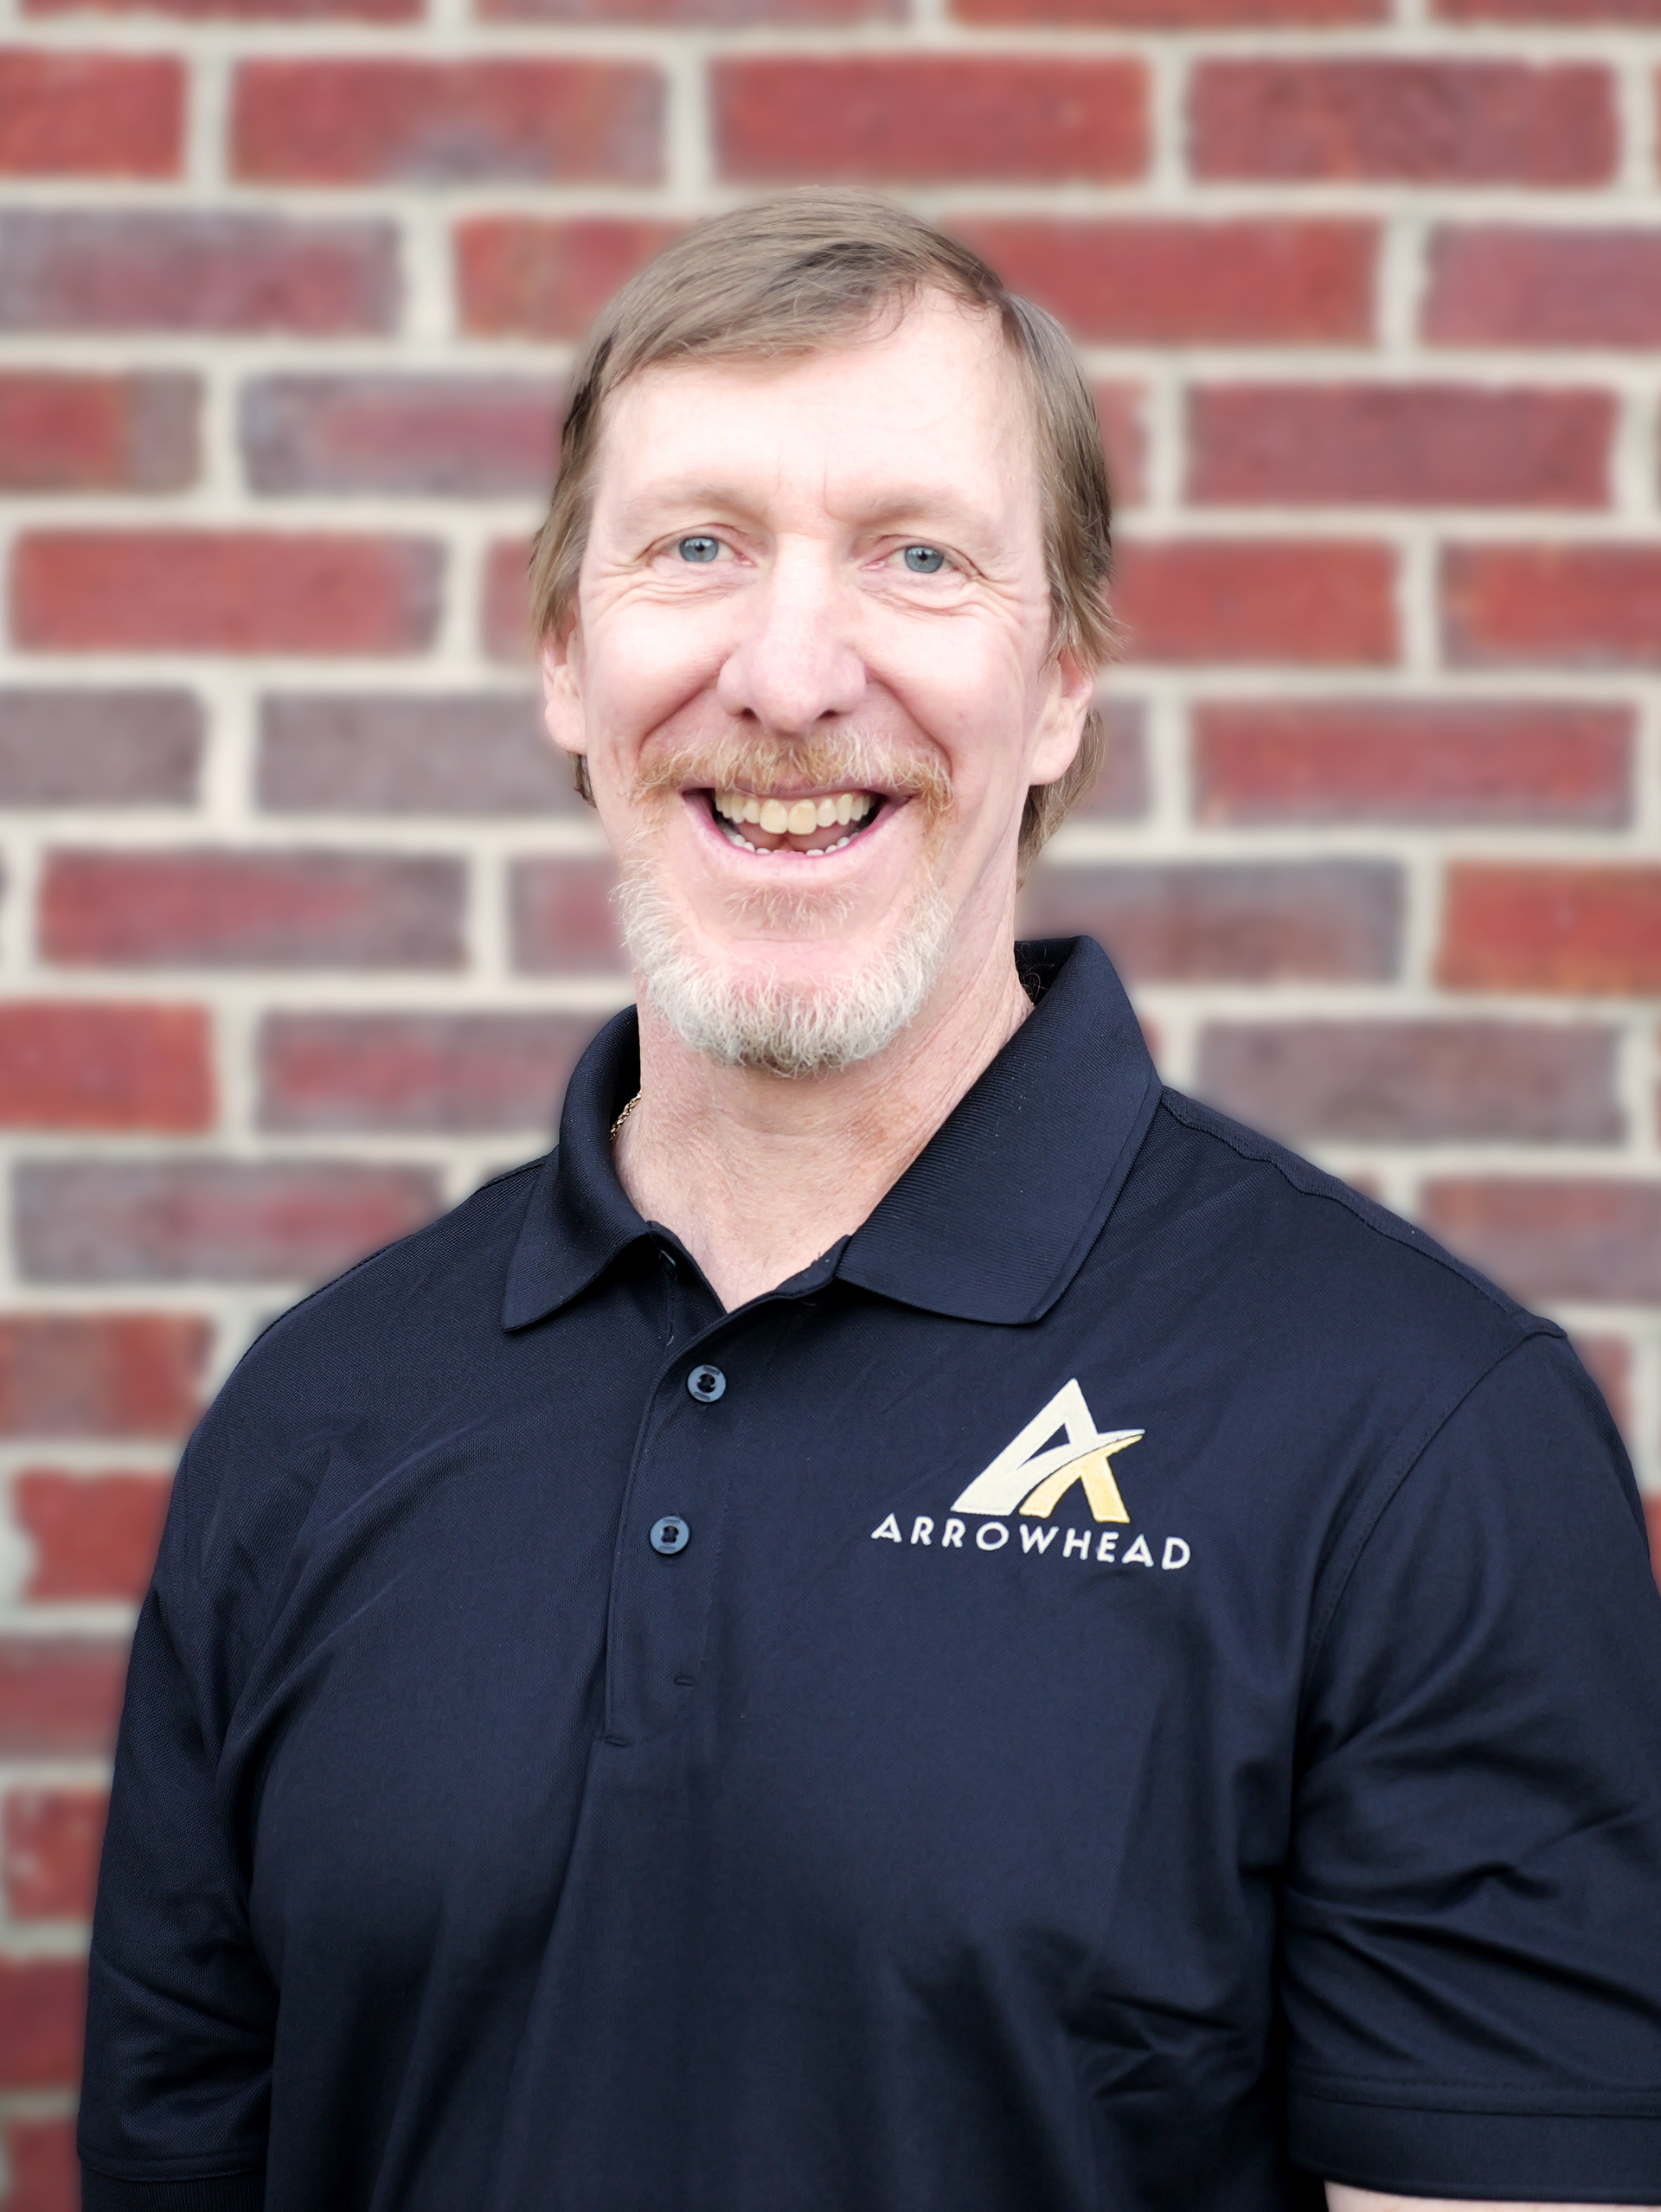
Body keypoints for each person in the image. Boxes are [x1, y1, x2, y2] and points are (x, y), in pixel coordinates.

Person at [80, 192, 1661, 2212]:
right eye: (697, 548)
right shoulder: (310, 1428)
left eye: (917, 555)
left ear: (1063, 685)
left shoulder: (1417, 1436)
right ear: (568, 661)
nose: (792, 671)